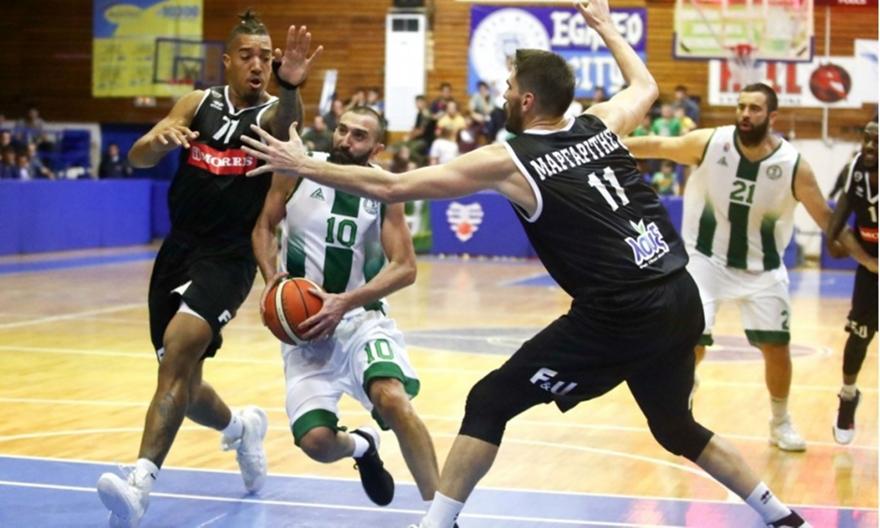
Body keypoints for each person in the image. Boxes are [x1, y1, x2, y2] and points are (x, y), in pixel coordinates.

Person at [241, 1, 813, 526]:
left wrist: (305, 164)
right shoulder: (601, 123)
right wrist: (605, 27)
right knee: (676, 427)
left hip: (620, 312)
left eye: (510, 87)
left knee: (489, 400)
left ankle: (436, 524)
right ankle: (781, 515)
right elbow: (645, 85)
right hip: (680, 294)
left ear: (529, 101)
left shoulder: (511, 158)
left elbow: (393, 186)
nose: (504, 95)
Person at [95, 11, 322, 528]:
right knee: (183, 382)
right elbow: (139, 156)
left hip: (230, 257)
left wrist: (290, 86)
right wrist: (158, 139)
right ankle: (241, 428)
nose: (258, 64)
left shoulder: (272, 111)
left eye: (266, 57)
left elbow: (288, 124)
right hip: (177, 250)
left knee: (178, 350)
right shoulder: (198, 103)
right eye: (247, 55)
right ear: (227, 61)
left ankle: (140, 484)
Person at [625, 83, 878, 454]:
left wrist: (868, 261)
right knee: (692, 339)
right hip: (706, 261)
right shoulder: (711, 143)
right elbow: (658, 145)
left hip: (763, 268)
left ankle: (780, 421)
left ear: (772, 116)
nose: (745, 114)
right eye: (741, 106)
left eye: (754, 108)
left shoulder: (793, 165)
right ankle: (682, 402)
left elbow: (828, 220)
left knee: (777, 348)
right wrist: (603, 143)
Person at [252, 106, 440, 507]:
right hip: (305, 333)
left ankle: (442, 515)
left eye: (359, 136)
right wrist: (271, 280)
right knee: (317, 442)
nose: (345, 140)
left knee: (393, 399)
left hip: (360, 320)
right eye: (342, 130)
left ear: (377, 148)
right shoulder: (296, 168)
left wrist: (346, 302)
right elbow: (265, 226)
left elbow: (405, 267)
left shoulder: (384, 190)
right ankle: (362, 447)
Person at [827, 121, 878, 445]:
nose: (870, 146)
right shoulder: (854, 169)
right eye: (867, 138)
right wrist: (831, 236)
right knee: (858, 336)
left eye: (877, 141)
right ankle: (848, 396)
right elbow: (844, 206)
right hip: (870, 269)